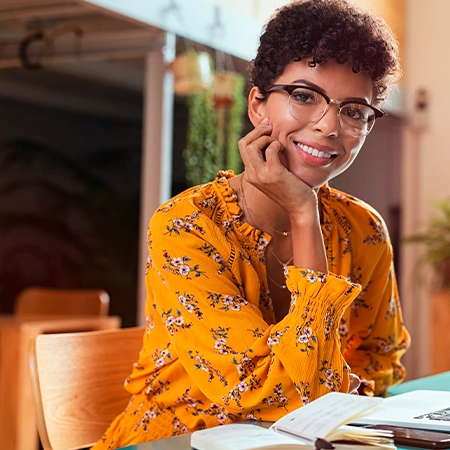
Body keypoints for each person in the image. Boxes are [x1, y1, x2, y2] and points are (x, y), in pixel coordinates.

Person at [94, 1, 409, 448]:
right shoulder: (188, 224)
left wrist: (328, 393)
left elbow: (377, 359)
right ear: (258, 105)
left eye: (354, 111)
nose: (328, 126)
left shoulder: (363, 227)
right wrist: (303, 213)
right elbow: (262, 391)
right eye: (304, 96)